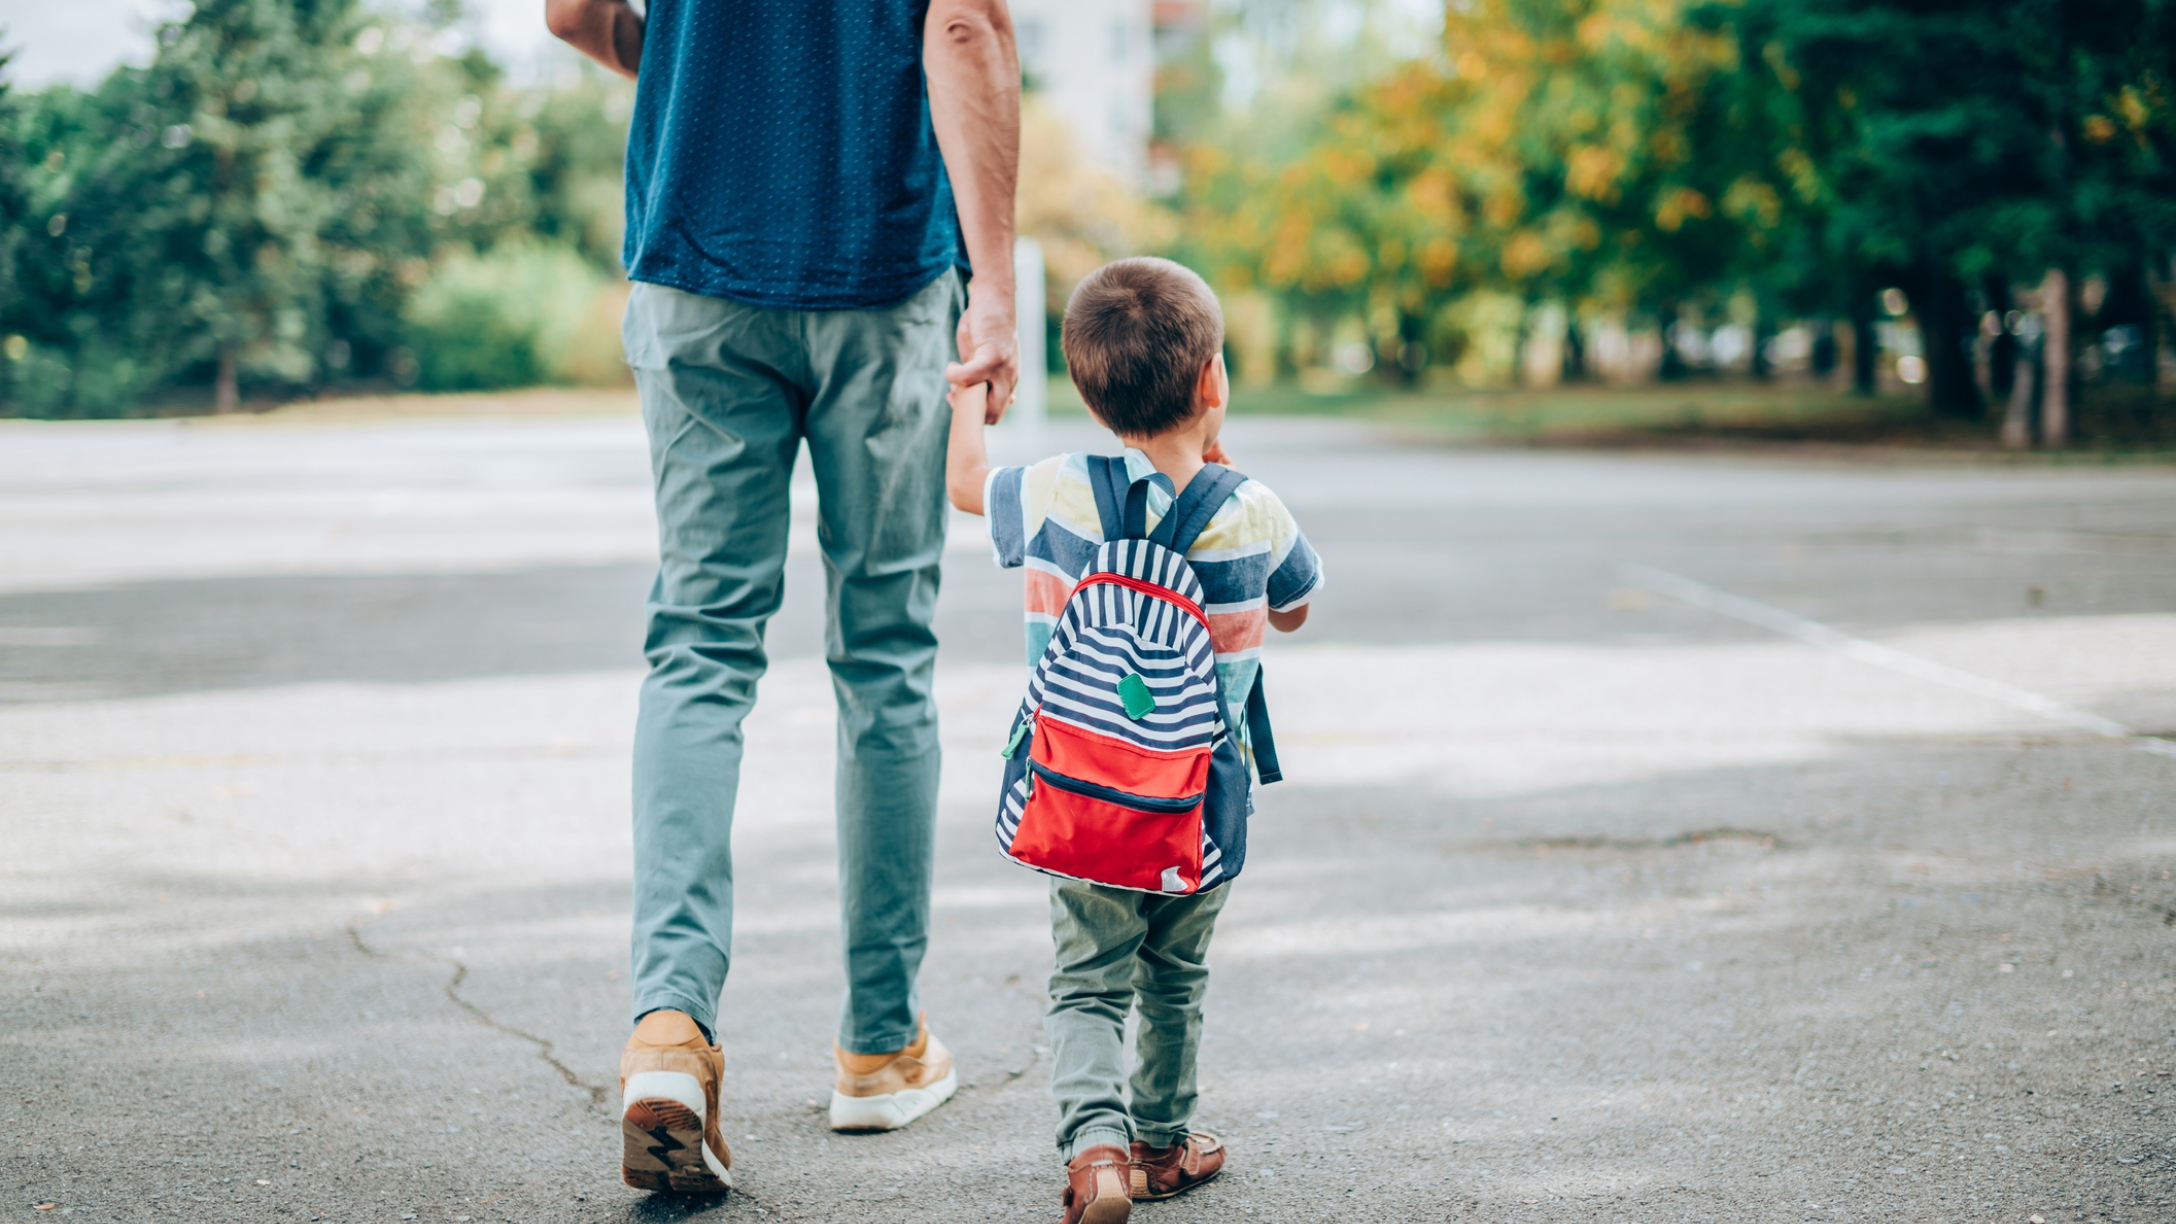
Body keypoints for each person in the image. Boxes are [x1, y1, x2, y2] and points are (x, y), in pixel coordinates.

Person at [542, 0, 1022, 1196]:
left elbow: (574, 13)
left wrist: (711, 77)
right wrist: (999, 281)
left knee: (699, 648)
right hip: (881, 261)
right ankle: (877, 1045)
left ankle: (669, 1030)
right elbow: (960, 28)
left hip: (697, 252)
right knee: (884, 655)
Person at [944, 257, 1322, 1223]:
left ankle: (1095, 1151)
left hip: (1079, 795)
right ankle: (1162, 1141)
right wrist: (1224, 473)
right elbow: (1296, 611)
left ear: (1087, 389)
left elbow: (963, 490)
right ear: (1213, 383)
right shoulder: (1254, 510)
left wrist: (968, 396)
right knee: (1176, 976)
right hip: (1199, 806)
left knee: (1087, 981)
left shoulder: (1055, 490)